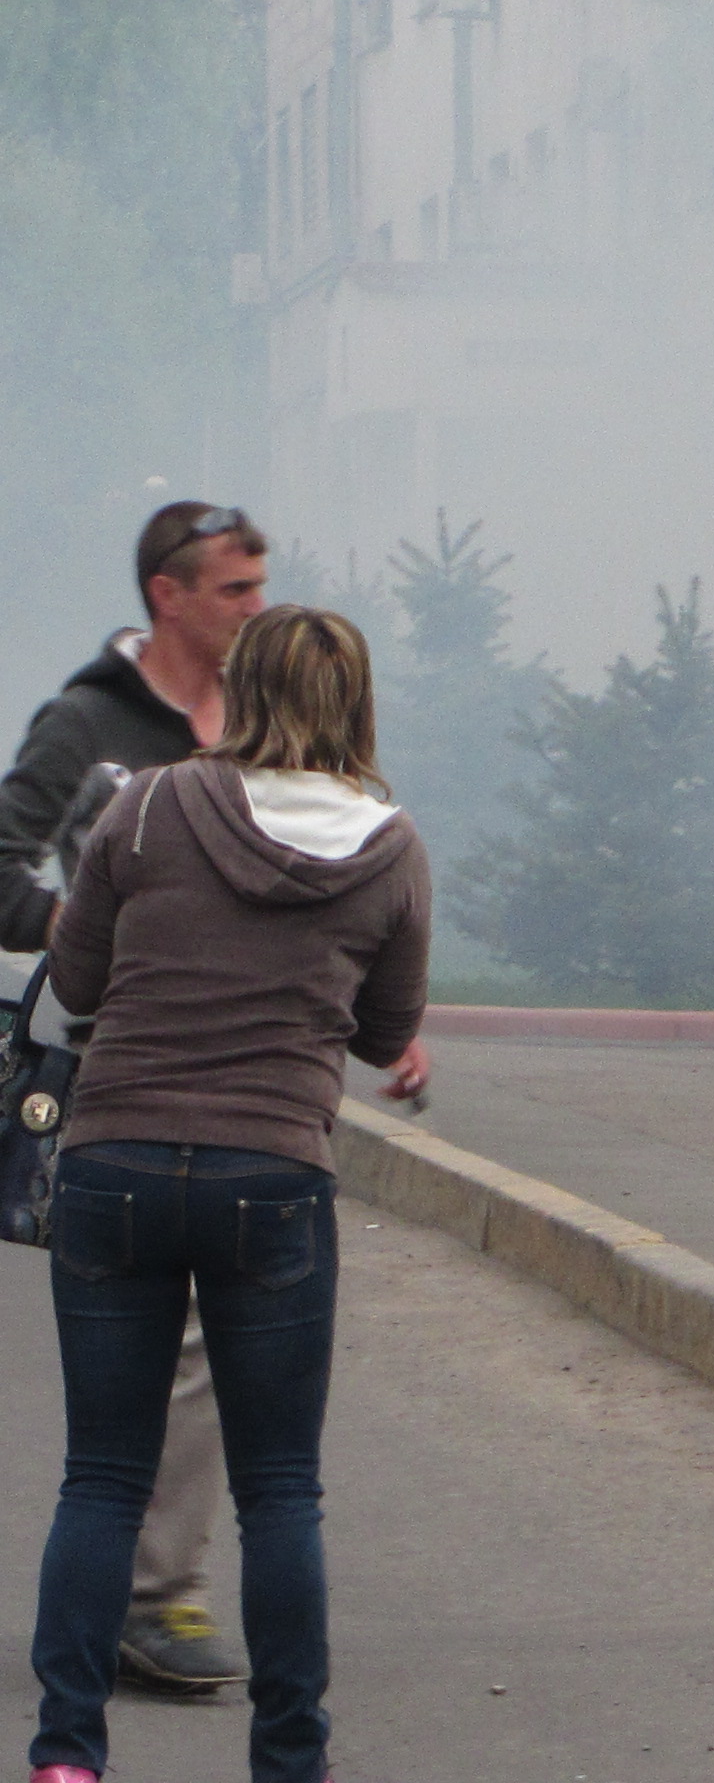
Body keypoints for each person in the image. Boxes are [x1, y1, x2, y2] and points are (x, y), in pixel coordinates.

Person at [25, 605, 432, 1783]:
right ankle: (290, 1764)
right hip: (273, 1174)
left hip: (117, 1164)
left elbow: (79, 978)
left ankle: (65, 1757)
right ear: (355, 700)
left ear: (242, 691)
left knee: (101, 1477)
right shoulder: (391, 846)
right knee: (280, 1492)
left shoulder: (146, 806)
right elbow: (384, 1032)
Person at [1, 499, 271, 1700]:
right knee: (135, 1338)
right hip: (110, 1069)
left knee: (211, 1341)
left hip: (246, 1069)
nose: (256, 611)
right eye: (235, 591)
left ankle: (159, 1596)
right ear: (170, 595)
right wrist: (77, 929)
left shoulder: (265, 723)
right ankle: (123, 1590)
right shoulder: (89, 728)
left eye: (262, 589)